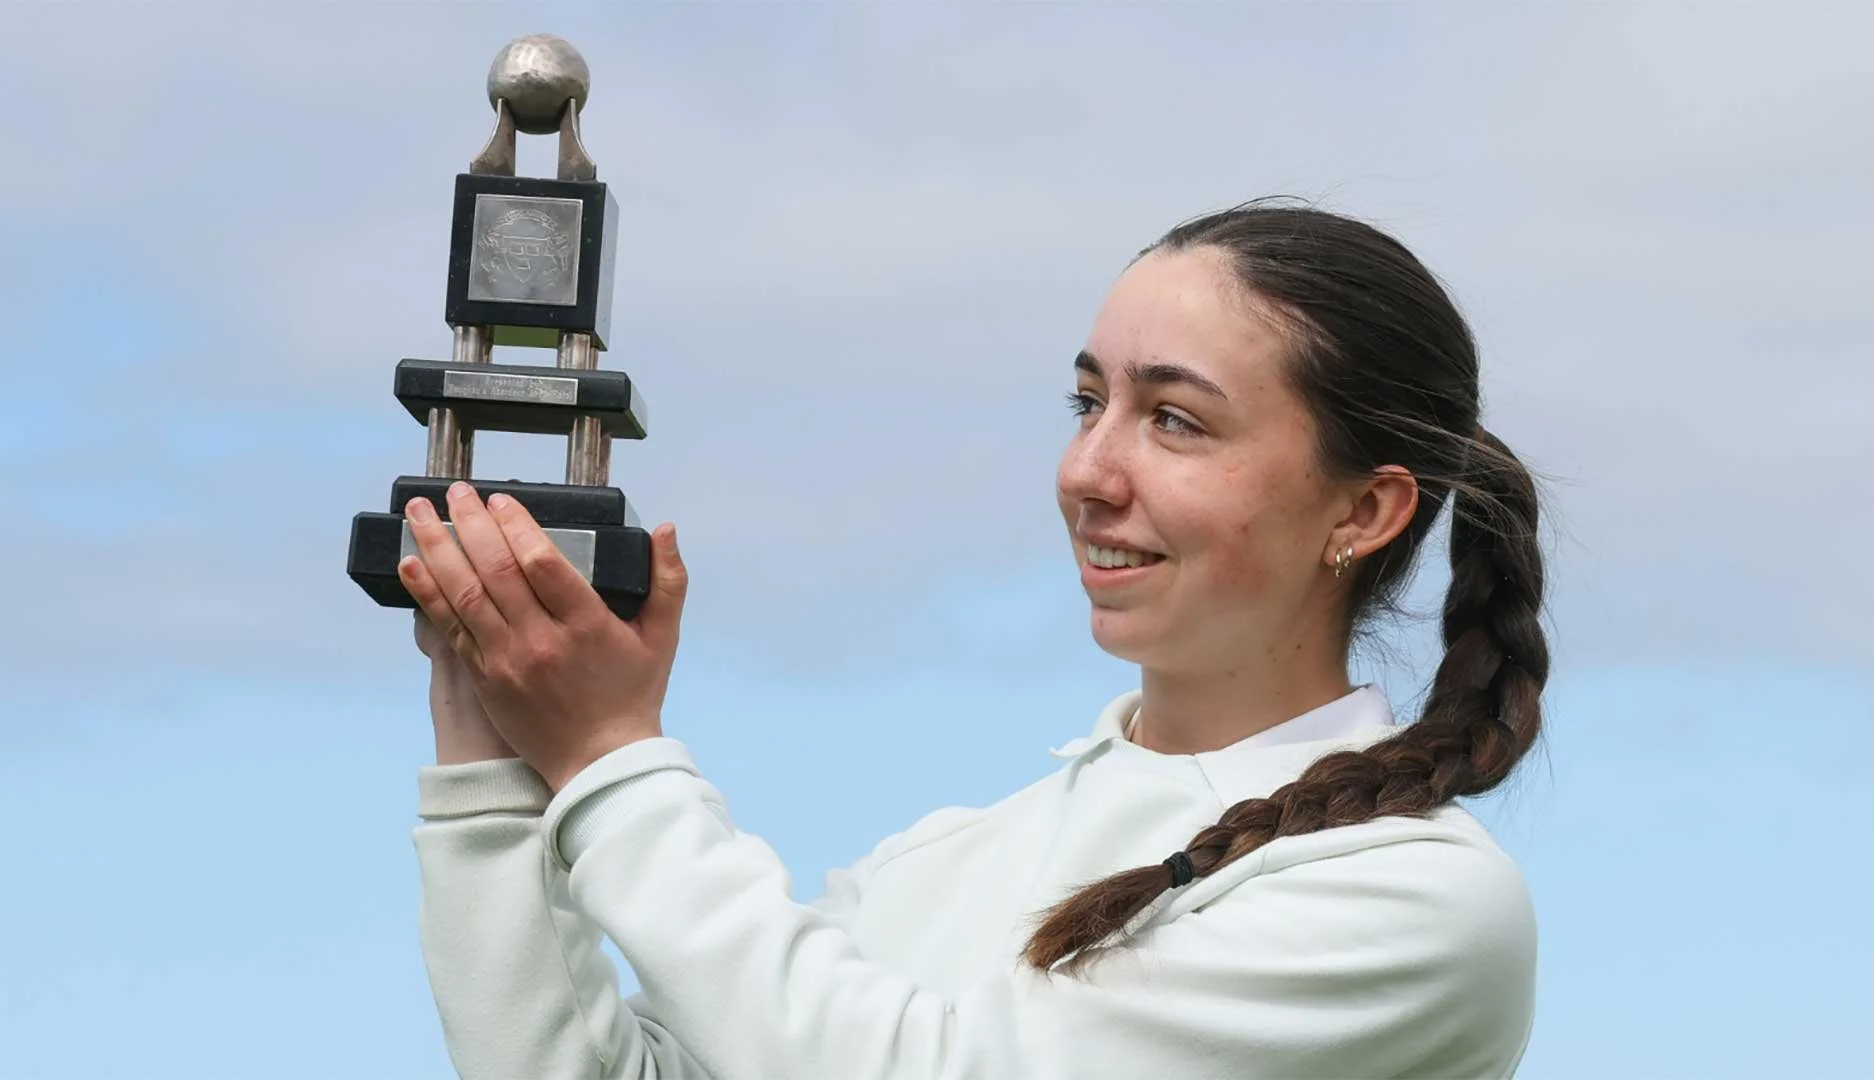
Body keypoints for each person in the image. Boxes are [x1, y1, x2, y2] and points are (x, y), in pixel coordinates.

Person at [402, 201, 1547, 1080]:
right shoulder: (939, 865)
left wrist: (611, 760)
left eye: (1175, 421)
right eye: (1086, 402)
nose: (1090, 471)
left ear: (1363, 512)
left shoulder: (1412, 905)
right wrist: (495, 750)